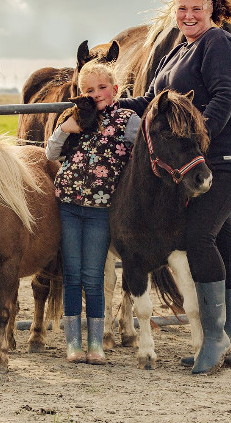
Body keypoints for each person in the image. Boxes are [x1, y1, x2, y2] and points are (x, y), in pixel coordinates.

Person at [118, 0, 231, 374]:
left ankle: (213, 338)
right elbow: (153, 98)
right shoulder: (179, 49)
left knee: (197, 236)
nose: (189, 15)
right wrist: (117, 106)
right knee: (224, 246)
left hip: (226, 155)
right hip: (199, 160)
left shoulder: (220, 44)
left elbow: (226, 99)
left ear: (212, 8)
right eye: (182, 9)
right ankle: (230, 341)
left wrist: (197, 145)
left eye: (197, 8)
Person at [45, 61, 140, 364]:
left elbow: (146, 151)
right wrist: (64, 129)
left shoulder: (127, 119)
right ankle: (73, 343)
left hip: (102, 209)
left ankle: (96, 343)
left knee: (93, 275)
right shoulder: (74, 118)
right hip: (69, 205)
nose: (96, 94)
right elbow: (51, 154)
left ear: (115, 90)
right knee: (72, 274)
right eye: (89, 89)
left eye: (102, 88)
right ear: (80, 92)